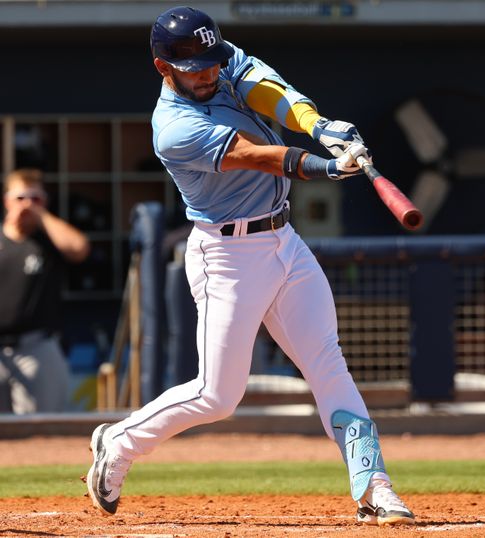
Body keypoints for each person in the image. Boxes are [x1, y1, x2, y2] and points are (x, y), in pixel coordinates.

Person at [86, 6, 415, 526]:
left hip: (284, 239)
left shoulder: (219, 59)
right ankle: (120, 440)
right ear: (163, 67)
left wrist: (319, 126)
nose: (210, 73)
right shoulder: (173, 128)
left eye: (212, 62)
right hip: (227, 257)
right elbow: (257, 154)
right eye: (195, 67)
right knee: (218, 396)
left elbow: (270, 91)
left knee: (327, 363)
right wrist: (329, 165)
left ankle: (373, 484)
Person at [0, 168, 90, 413]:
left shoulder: (48, 239)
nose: (27, 204)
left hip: (36, 346)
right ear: (6, 200)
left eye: (35, 198)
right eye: (21, 198)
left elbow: (79, 248)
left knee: (41, 430)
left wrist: (41, 215)